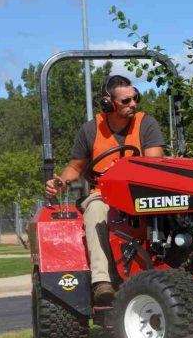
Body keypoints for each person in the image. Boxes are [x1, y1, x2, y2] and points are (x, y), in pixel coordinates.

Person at [45, 75, 165, 305]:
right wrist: (60, 182)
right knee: (96, 208)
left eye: (135, 98)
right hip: (103, 193)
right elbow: (75, 167)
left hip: (140, 192)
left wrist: (124, 170)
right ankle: (102, 281)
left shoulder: (146, 124)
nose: (133, 104)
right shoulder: (90, 130)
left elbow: (154, 165)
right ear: (108, 103)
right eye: (126, 101)